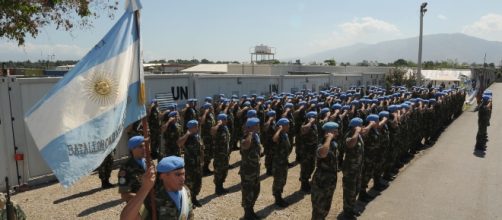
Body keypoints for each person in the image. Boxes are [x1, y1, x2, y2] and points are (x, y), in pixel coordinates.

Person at [120, 156, 194, 220]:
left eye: (183, 174)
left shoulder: (185, 191)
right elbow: (125, 218)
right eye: (177, 175)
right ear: (163, 176)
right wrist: (144, 188)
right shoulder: (152, 196)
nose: (182, 178)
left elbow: (189, 216)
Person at [342, 117, 376, 220]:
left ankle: (351, 209)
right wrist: (357, 132)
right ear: (355, 127)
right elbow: (350, 144)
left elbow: (365, 131)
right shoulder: (349, 135)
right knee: (350, 191)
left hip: (357, 168)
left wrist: (368, 127)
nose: (362, 127)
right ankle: (347, 213)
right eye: (361, 125)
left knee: (356, 189)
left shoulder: (359, 135)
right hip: (350, 170)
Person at [310, 122, 339, 220]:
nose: (337, 133)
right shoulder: (322, 143)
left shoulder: (333, 144)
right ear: (329, 132)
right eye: (335, 132)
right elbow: (322, 153)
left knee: (326, 207)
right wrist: (329, 138)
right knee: (319, 209)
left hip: (329, 181)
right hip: (321, 182)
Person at [177, 120, 203, 208]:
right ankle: (189, 201)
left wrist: (202, 160)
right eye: (195, 127)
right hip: (190, 165)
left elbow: (201, 149)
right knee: (190, 183)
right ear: (190, 128)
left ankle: (194, 199)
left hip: (198, 164)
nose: (197, 128)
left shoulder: (197, 136)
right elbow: (179, 143)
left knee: (197, 182)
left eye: (197, 126)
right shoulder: (186, 137)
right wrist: (187, 134)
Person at [240, 117, 262, 219]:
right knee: (248, 192)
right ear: (251, 127)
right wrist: (249, 133)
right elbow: (245, 146)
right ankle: (247, 214)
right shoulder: (246, 136)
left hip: (255, 169)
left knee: (256, 190)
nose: (259, 127)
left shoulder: (256, 136)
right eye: (257, 125)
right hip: (248, 170)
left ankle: (251, 210)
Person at [118, 136, 147, 202]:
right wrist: (146, 197)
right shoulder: (125, 169)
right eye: (141, 146)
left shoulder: (148, 162)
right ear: (132, 149)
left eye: (145, 146)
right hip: (138, 205)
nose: (144, 148)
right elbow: (125, 195)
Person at [271, 118, 291, 207]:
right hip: (278, 162)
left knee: (283, 180)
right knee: (278, 180)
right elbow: (274, 140)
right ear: (282, 126)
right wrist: (279, 130)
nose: (289, 126)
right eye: (287, 125)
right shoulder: (278, 134)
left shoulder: (285, 134)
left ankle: (279, 196)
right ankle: (277, 198)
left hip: (284, 161)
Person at [299, 111, 319, 193]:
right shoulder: (305, 124)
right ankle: (304, 184)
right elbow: (303, 130)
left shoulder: (314, 125)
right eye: (314, 117)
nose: (315, 119)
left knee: (312, 166)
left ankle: (307, 180)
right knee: (305, 167)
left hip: (312, 150)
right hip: (305, 151)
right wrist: (310, 122)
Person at [211, 113, 231, 195]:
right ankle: (218, 189)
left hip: (225, 154)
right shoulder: (217, 128)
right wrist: (218, 124)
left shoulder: (225, 127)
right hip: (219, 155)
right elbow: (212, 132)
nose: (227, 120)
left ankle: (221, 187)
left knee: (224, 171)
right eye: (225, 119)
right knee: (218, 172)